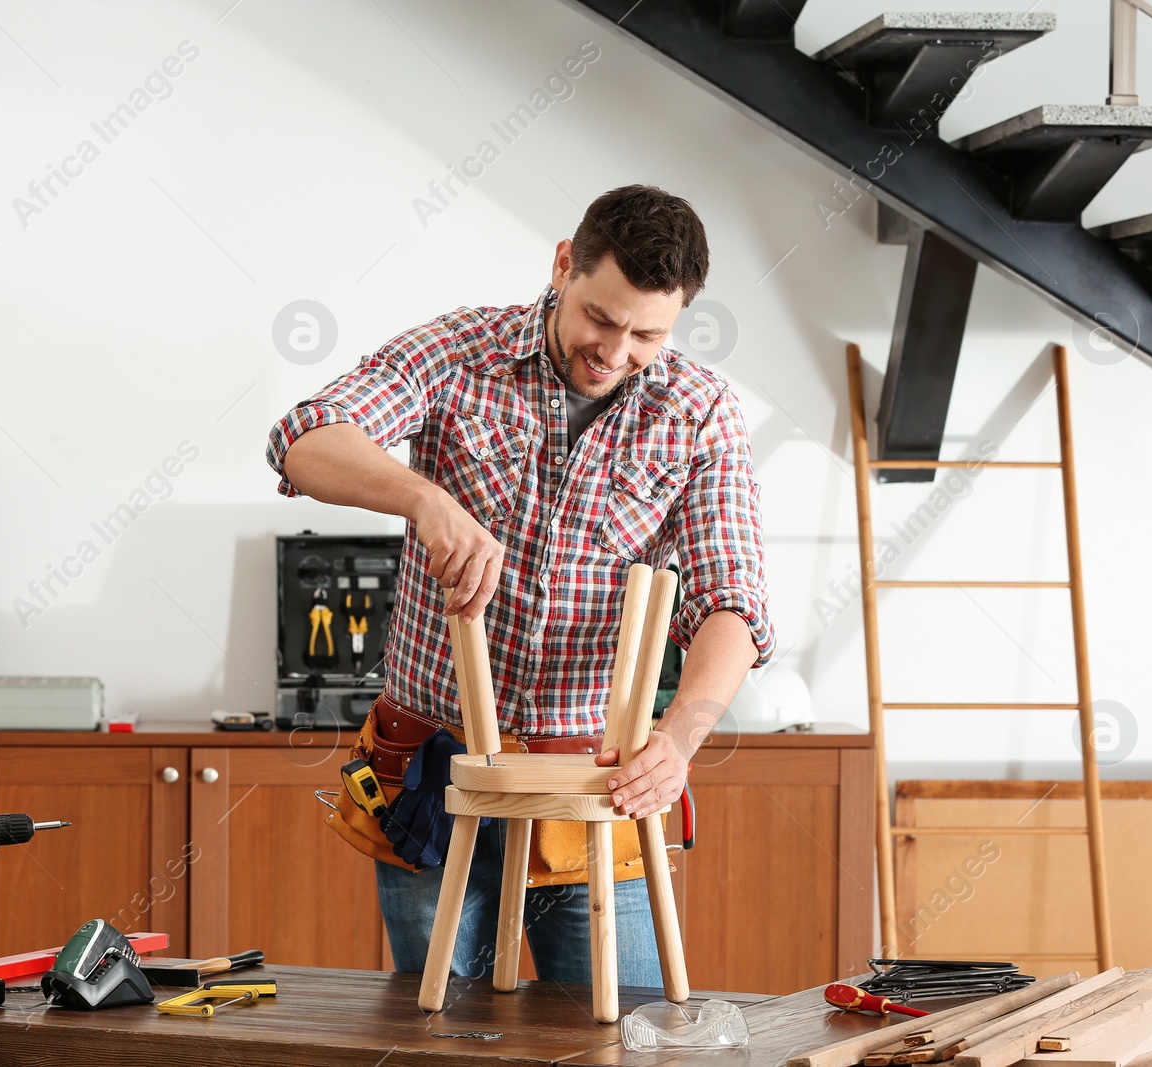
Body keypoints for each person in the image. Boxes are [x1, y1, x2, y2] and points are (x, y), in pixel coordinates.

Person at [264, 184, 774, 987]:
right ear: (564, 264)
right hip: (436, 779)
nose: (614, 350)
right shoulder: (459, 353)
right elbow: (302, 438)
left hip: (594, 792)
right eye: (600, 318)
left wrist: (677, 742)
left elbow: (735, 604)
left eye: (646, 333)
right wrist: (423, 498)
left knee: (623, 1036)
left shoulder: (698, 412)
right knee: (446, 1042)